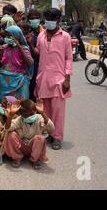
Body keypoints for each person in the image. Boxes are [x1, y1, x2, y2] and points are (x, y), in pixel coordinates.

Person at [35, 8, 73, 150]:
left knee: (58, 111)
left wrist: (67, 78)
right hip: (43, 77)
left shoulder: (65, 37)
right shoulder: (41, 36)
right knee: (46, 110)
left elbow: (68, 58)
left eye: (52, 19)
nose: (49, 22)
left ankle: (57, 137)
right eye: (47, 19)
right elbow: (38, 53)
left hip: (59, 78)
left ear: (58, 20)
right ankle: (50, 133)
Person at [3, 99, 54, 170]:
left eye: (31, 114)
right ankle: (17, 157)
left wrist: (42, 113)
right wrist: (10, 115)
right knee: (11, 134)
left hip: (35, 147)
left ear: (35, 111)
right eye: (26, 115)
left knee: (40, 138)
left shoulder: (39, 118)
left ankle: (35, 159)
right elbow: (7, 128)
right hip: (22, 147)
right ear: (21, 114)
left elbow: (51, 128)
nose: (29, 117)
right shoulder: (19, 119)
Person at [0, 26, 34, 103]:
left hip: (18, 81)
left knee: (20, 104)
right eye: (6, 36)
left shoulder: (24, 48)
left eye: (9, 36)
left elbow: (30, 63)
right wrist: (0, 53)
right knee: (4, 106)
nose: (7, 38)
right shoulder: (4, 48)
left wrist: (19, 46)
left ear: (17, 36)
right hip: (3, 81)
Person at [25, 9, 43, 101]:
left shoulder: (42, 33)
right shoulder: (25, 32)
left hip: (38, 64)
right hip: (27, 65)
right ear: (28, 20)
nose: (35, 20)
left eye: (37, 18)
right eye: (32, 18)